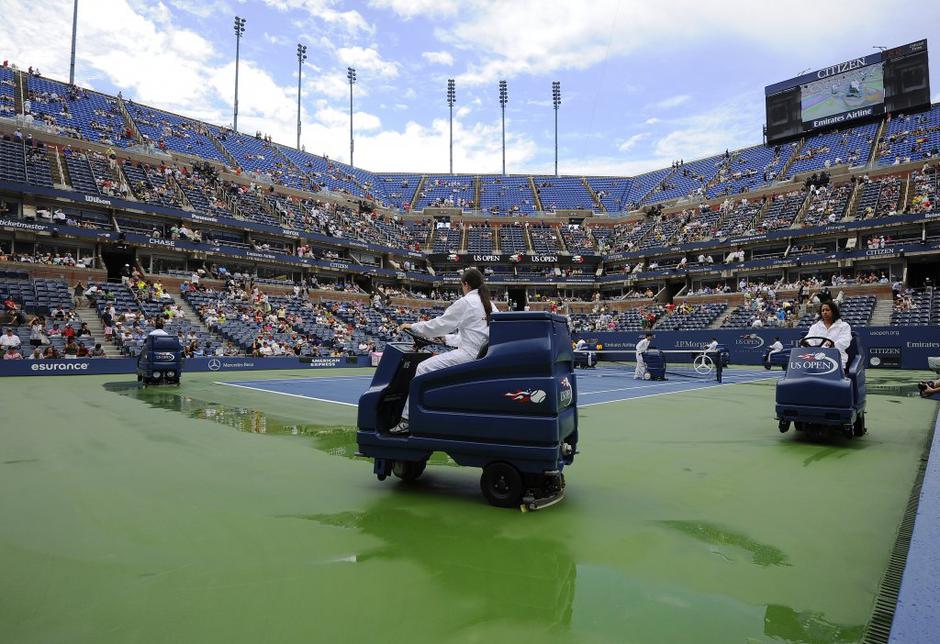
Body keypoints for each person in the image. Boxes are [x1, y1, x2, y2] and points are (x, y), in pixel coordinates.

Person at [389, 268, 496, 434]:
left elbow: (438, 325)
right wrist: (446, 339)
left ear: (465, 284)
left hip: (469, 355)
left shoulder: (467, 302)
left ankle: (408, 419)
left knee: (423, 368)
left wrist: (414, 326)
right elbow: (475, 335)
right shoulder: (489, 304)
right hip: (480, 355)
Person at [805, 301, 852, 370]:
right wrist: (807, 343)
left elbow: (845, 341)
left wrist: (832, 345)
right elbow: (809, 339)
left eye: (827, 310)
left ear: (833, 311)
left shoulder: (844, 326)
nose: (825, 312)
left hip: (836, 359)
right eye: (823, 310)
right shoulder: (815, 327)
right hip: (815, 360)